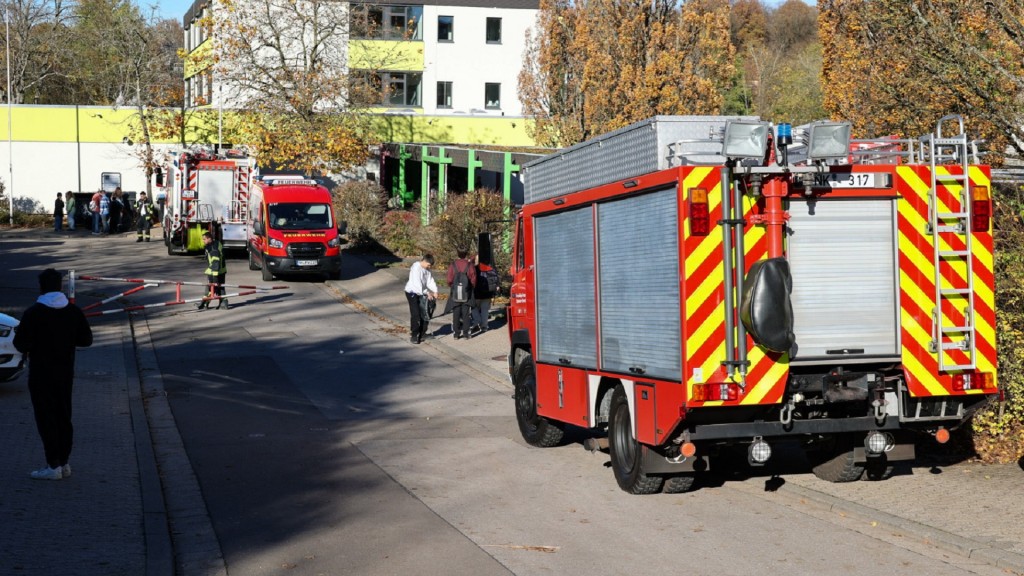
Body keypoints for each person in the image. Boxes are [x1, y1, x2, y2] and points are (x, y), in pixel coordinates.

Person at [13, 268, 93, 480]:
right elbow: (86, 340)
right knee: (64, 416)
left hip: (41, 373)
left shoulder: (33, 313)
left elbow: (20, 344)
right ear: (60, 287)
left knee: (46, 417)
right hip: (66, 372)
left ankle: (52, 464)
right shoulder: (73, 312)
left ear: (41, 287)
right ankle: (65, 462)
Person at [404, 254, 438, 344]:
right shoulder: (416, 268)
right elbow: (417, 285)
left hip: (422, 292)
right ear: (424, 261)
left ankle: (423, 333)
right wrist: (427, 293)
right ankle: (414, 335)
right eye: (428, 265)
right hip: (412, 292)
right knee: (416, 313)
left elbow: (430, 280)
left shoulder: (427, 270)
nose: (429, 267)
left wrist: (435, 291)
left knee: (425, 312)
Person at [446, 249, 477, 340]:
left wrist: (452, 286)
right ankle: (466, 334)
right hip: (467, 292)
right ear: (466, 254)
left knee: (456, 313)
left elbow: (449, 279)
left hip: (455, 292)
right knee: (466, 314)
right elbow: (473, 279)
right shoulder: (470, 265)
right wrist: (471, 287)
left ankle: (456, 333)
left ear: (458, 254)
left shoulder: (453, 265)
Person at [199, 230, 227, 310]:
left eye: (204, 239)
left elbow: (215, 262)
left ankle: (204, 303)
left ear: (209, 239)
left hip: (215, 272)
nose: (203, 241)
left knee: (210, 287)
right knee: (220, 287)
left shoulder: (213, 248)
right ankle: (223, 303)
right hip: (222, 270)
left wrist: (214, 277)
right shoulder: (217, 243)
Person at [471, 255, 497, 335]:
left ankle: (477, 321)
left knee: (474, 308)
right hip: (487, 293)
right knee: (485, 310)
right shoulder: (489, 268)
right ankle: (484, 326)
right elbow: (495, 279)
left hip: (476, 293)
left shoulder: (473, 269)